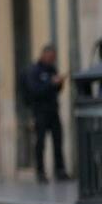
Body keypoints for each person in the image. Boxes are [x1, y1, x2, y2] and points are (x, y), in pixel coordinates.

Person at [21, 46, 70, 183]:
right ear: (44, 55)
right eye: (50, 57)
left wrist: (59, 83)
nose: (52, 59)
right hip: (40, 112)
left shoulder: (52, 69)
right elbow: (35, 91)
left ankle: (60, 170)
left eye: (53, 57)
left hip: (53, 111)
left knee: (58, 141)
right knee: (40, 143)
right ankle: (40, 171)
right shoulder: (34, 71)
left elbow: (56, 90)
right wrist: (51, 83)